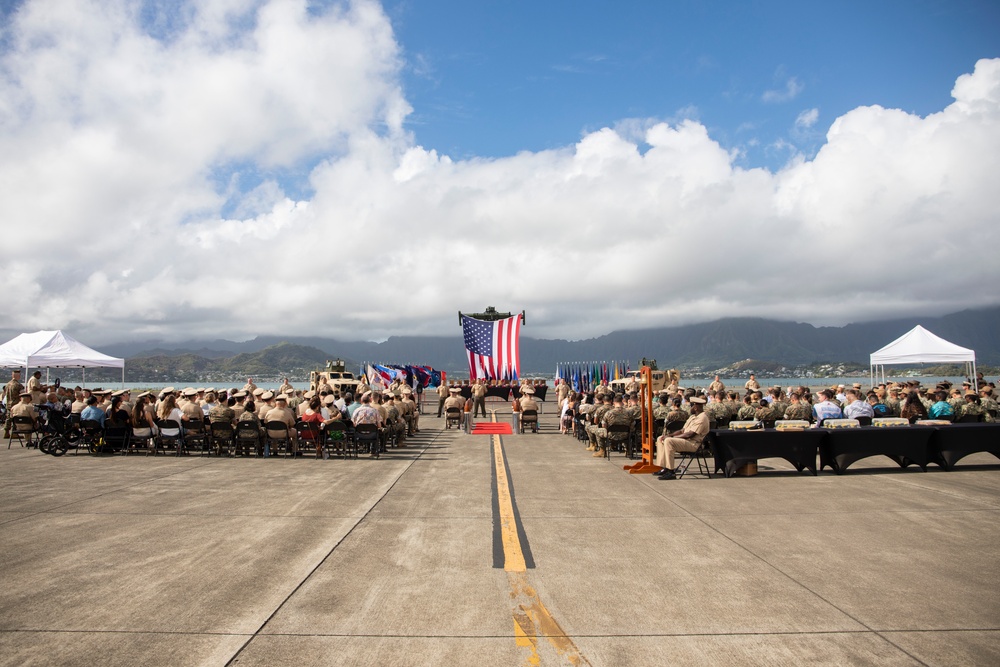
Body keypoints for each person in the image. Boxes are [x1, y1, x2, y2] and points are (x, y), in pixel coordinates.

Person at [654, 397, 710, 480]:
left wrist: (672, 437)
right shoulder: (693, 417)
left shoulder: (702, 418)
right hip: (686, 441)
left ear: (695, 407)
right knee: (660, 438)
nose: (689, 408)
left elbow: (690, 434)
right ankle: (664, 467)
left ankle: (671, 471)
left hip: (693, 443)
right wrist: (670, 435)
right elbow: (682, 430)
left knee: (669, 441)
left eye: (691, 406)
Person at [3, 369, 24, 438]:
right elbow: (23, 394)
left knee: (8, 418)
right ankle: (14, 432)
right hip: (16, 403)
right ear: (18, 376)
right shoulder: (18, 385)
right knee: (15, 418)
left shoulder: (8, 384)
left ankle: (6, 432)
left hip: (8, 403)